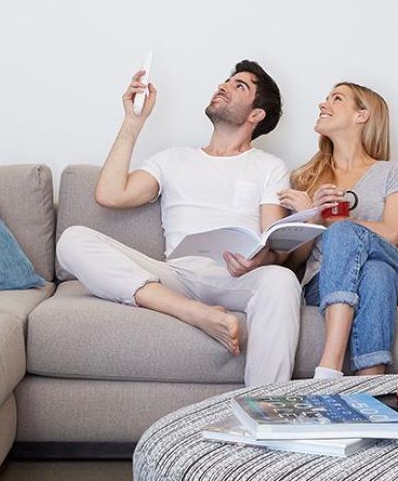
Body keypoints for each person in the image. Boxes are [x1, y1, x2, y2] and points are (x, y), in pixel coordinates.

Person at [55, 60, 303, 387]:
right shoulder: (172, 158)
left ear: (256, 115)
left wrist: (260, 259)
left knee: (282, 280)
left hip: (235, 276)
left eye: (239, 86)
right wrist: (133, 121)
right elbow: (110, 195)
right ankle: (192, 312)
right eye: (227, 80)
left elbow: (274, 241)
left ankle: (262, 407)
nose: (223, 86)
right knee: (72, 240)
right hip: (176, 276)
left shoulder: (269, 166)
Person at [270, 82, 398, 379]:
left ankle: (329, 366)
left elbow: (393, 232)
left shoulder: (394, 172)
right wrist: (312, 218)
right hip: (324, 281)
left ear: (361, 115)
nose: (323, 104)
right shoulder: (306, 178)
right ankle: (370, 385)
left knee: (346, 234)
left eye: (337, 98)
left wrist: (333, 223)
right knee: (377, 273)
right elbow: (295, 260)